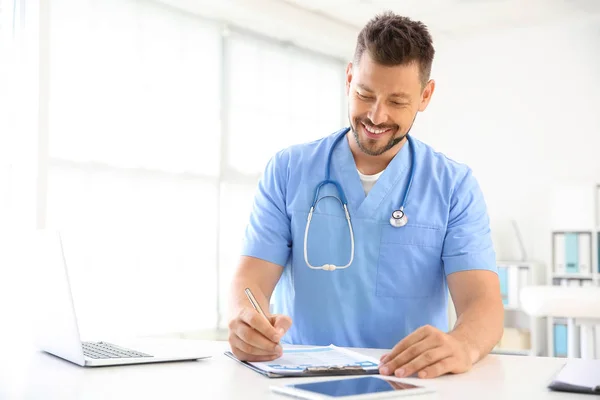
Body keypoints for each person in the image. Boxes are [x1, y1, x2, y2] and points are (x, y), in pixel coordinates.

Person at [227, 12, 504, 379]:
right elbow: (250, 280)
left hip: (407, 382)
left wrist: (463, 345)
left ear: (425, 96)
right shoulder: (289, 170)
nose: (376, 115)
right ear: (348, 79)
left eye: (397, 101)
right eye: (365, 94)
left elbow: (482, 303)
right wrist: (245, 324)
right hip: (301, 378)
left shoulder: (453, 185)